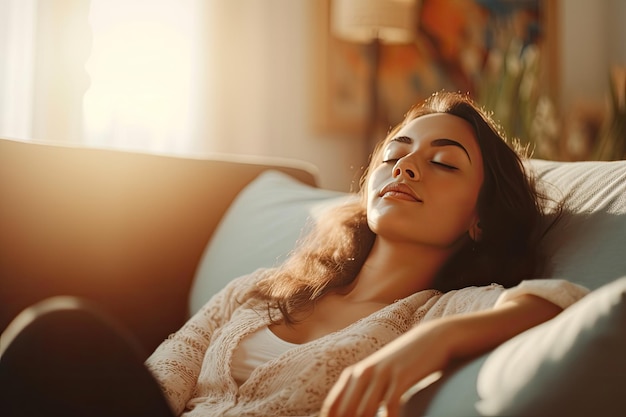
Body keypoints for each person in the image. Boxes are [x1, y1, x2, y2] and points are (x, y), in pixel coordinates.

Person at [0, 91, 587, 417]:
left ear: (480, 218)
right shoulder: (261, 289)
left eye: (443, 161)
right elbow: (158, 384)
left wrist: (433, 343)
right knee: (61, 339)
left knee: (60, 333)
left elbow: (571, 305)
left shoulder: (439, 313)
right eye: (395, 152)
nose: (405, 165)